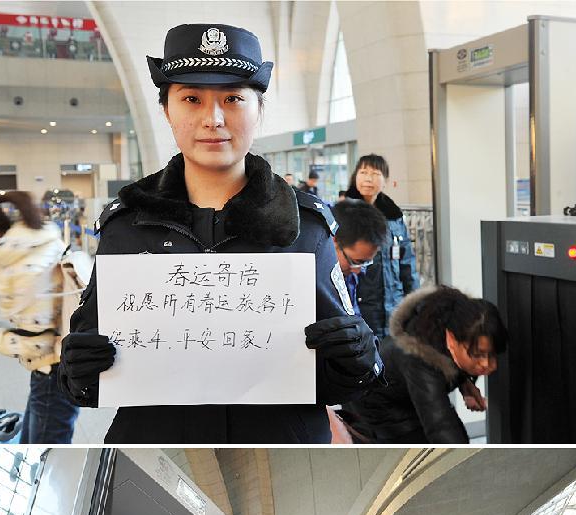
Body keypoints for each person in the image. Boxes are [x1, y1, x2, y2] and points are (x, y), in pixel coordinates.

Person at [58, 23, 381, 444]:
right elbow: (87, 380)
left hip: (285, 446)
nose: (213, 119)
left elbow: (351, 377)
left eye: (233, 99)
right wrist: (78, 370)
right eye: (191, 98)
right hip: (159, 446)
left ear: (258, 109)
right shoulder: (126, 226)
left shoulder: (306, 226)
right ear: (166, 111)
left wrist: (357, 355)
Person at [0, 191, 79, 444]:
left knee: (42, 447)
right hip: (64, 361)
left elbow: (38, 342)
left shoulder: (23, 269)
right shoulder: (36, 240)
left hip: (52, 370)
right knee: (33, 440)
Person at [339, 285, 508, 443]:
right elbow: (441, 426)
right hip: (376, 409)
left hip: (405, 396)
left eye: (492, 354)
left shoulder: (446, 323)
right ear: (451, 338)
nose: (486, 364)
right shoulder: (419, 360)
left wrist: (465, 383)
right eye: (477, 355)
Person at [345, 154, 420, 337]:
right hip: (359, 306)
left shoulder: (394, 216)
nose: (368, 178)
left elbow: (406, 262)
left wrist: (414, 302)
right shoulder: (344, 213)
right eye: (363, 172)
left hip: (394, 304)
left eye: (375, 173)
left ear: (385, 180)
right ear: (355, 177)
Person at [331, 199, 389, 315]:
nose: (357, 271)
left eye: (366, 263)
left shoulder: (349, 275)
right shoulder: (311, 280)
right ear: (334, 240)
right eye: (355, 261)